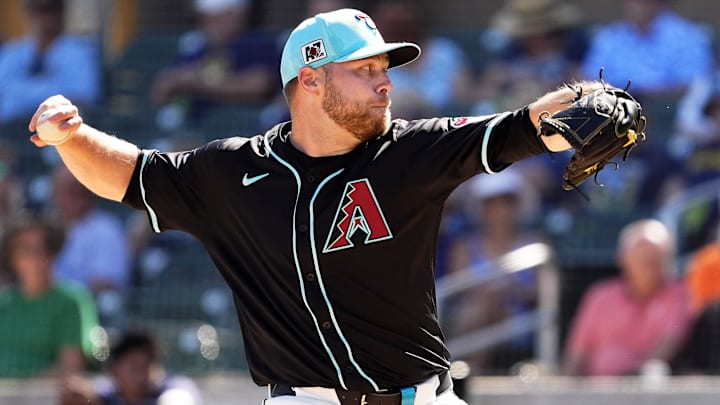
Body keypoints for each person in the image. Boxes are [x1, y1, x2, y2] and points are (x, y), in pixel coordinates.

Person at [29, 8, 611, 405]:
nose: (384, 82)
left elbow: (521, 127)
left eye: (384, 69)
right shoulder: (231, 171)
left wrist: (592, 101)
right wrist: (70, 137)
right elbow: (128, 174)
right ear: (310, 80)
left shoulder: (411, 150)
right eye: (364, 70)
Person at [443, 168, 543, 374]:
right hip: (473, 316)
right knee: (481, 307)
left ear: (517, 205)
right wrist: (489, 294)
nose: (499, 210)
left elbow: (541, 291)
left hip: (520, 322)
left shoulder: (536, 244)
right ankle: (474, 372)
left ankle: (470, 371)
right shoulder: (464, 246)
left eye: (506, 202)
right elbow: (460, 288)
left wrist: (511, 290)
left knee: (487, 306)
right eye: (491, 203)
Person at [563, 219, 692, 376]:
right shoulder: (599, 296)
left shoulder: (678, 294)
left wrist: (626, 387)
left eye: (657, 258)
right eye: (643, 257)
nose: (651, 265)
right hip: (591, 392)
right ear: (623, 258)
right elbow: (576, 355)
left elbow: (666, 348)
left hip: (646, 394)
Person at [150, 0, 279, 128]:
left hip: (237, 130)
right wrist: (178, 80)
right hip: (193, 128)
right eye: (206, 18)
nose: (210, 25)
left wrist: (198, 82)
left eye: (219, 17)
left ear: (238, 15)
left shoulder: (256, 44)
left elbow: (259, 84)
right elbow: (161, 90)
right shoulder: (195, 46)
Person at [0, 213, 98, 378]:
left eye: (45, 247)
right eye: (27, 248)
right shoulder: (4, 303)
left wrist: (20, 393)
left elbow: (70, 366)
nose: (38, 255)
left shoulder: (72, 301)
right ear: (12, 256)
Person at [580, 0, 713, 98]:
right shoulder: (609, 37)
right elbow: (589, 80)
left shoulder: (689, 36)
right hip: (614, 111)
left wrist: (647, 96)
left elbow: (696, 85)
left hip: (669, 117)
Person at [0, 0, 100, 124]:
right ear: (29, 12)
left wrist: (23, 95)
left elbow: (82, 97)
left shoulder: (80, 52)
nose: (46, 17)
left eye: (52, 8)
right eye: (39, 9)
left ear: (62, 11)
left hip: (55, 129)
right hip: (9, 132)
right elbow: (4, 92)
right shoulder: (12, 52)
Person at [59, 328, 203, 405]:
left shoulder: (176, 387)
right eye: (135, 368)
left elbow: (177, 400)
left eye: (149, 365)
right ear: (114, 371)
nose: (144, 374)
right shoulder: (106, 391)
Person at [49, 164, 131, 296]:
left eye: (78, 192)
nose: (71, 199)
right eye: (63, 191)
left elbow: (106, 283)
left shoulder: (107, 231)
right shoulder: (44, 227)